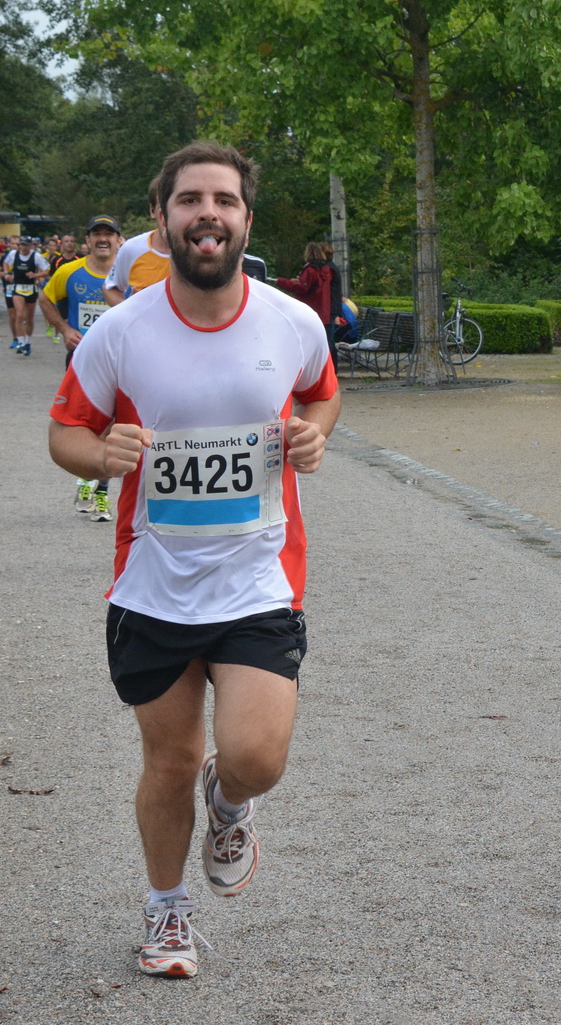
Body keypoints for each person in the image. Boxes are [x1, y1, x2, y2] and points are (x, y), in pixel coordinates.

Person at [47, 141, 341, 977]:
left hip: (257, 578)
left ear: (246, 218)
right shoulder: (121, 335)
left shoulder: (292, 322)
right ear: (163, 218)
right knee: (168, 758)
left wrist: (316, 433)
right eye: (189, 200)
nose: (206, 213)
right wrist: (97, 456)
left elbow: (321, 389)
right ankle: (166, 913)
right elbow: (65, 429)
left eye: (223, 199)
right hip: (154, 585)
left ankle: (231, 799)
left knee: (256, 755)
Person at [41, 215, 125, 520]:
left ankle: (99, 490)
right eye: (96, 234)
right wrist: (64, 329)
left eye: (109, 234)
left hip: (121, 360)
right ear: (87, 241)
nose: (103, 239)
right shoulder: (69, 272)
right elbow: (46, 298)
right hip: (82, 361)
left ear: (119, 240)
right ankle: (87, 476)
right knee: (84, 427)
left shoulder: (127, 274)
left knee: (113, 426)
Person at [107, 182, 173, 303]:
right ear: (152, 211)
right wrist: (132, 314)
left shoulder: (202, 250)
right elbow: (111, 288)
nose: (169, 214)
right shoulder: (132, 248)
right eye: (162, 208)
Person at [276, 242, 337, 345]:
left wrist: (282, 282)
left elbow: (302, 288)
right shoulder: (326, 270)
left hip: (309, 309)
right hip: (323, 311)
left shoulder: (310, 270)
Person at [0, 236, 49, 356]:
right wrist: (6, 273)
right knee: (19, 314)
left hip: (31, 289)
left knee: (29, 318)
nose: (24, 247)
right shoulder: (13, 254)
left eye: (26, 245)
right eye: (22, 245)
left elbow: (47, 270)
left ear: (31, 246)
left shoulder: (36, 256)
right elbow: (5, 263)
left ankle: (27, 342)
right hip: (18, 288)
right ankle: (20, 342)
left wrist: (36, 275)